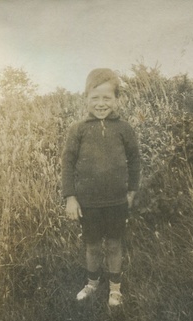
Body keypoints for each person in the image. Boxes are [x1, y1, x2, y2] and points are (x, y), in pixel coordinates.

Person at [61, 68, 140, 306]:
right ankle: (92, 283)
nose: (101, 103)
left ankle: (115, 289)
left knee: (115, 244)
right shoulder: (78, 129)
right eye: (95, 98)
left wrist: (132, 191)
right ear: (86, 99)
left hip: (117, 201)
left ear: (117, 99)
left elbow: (134, 159)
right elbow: (67, 163)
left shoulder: (124, 128)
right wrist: (70, 197)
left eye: (107, 97)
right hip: (89, 203)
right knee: (92, 246)